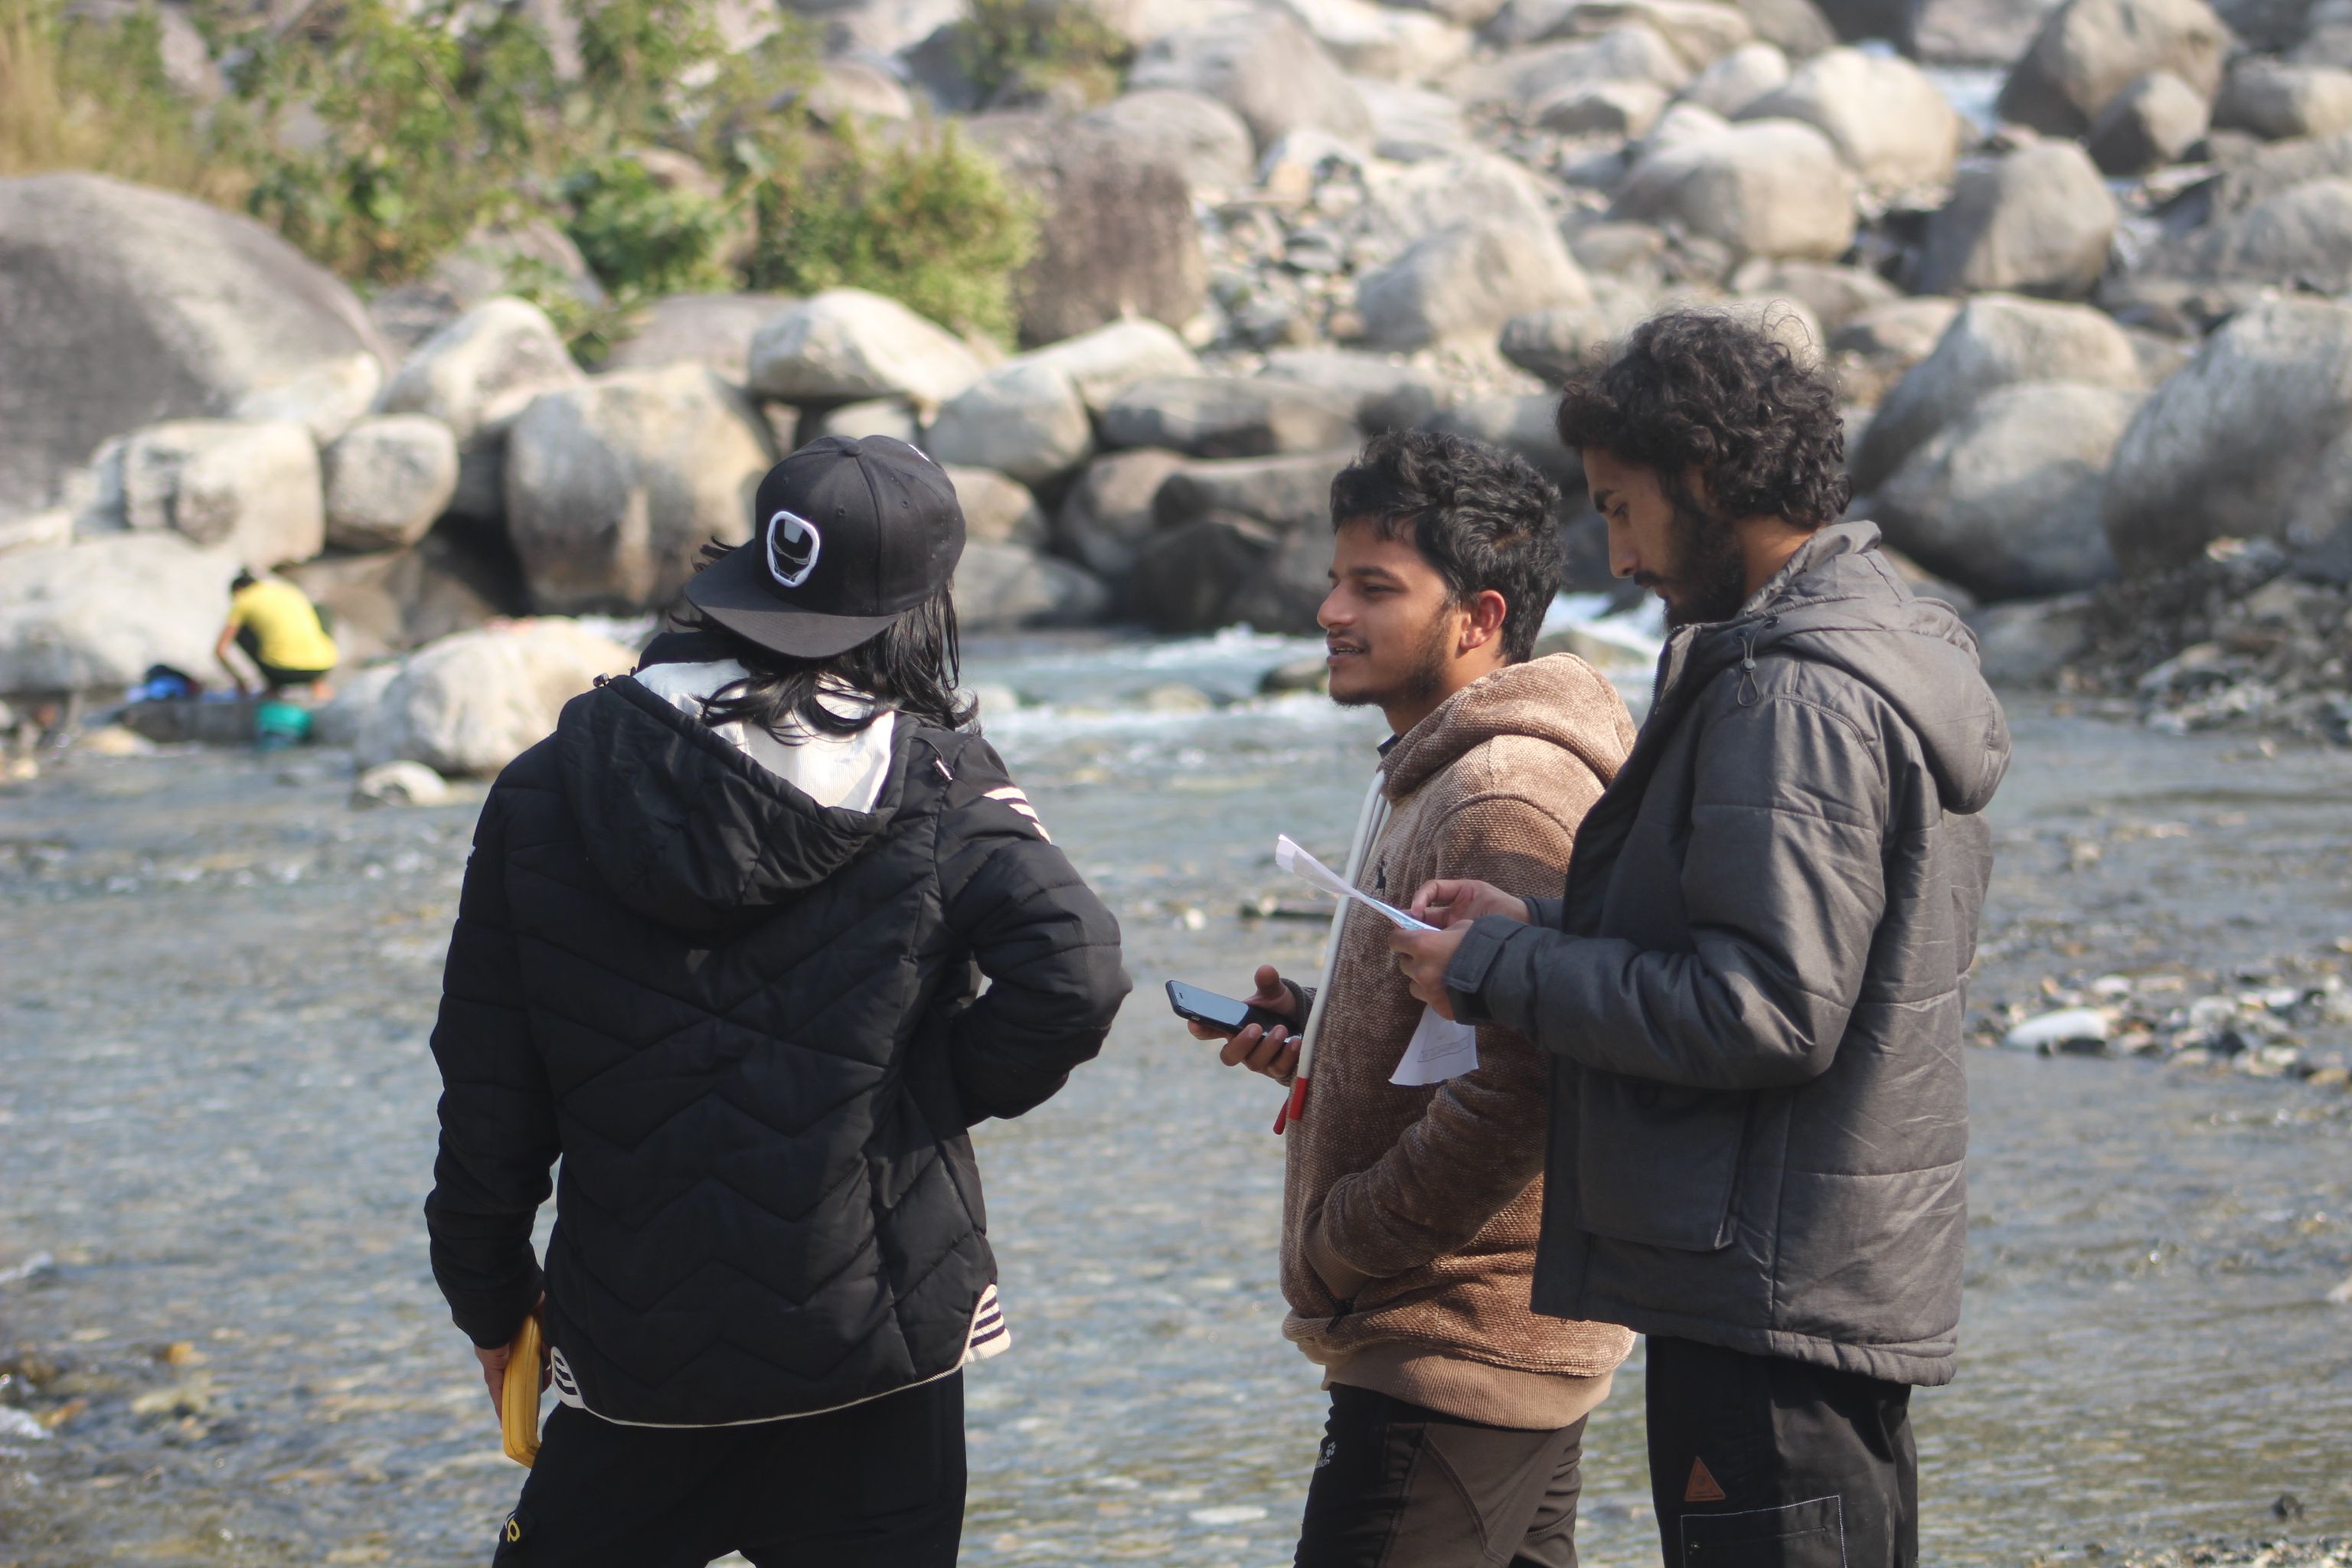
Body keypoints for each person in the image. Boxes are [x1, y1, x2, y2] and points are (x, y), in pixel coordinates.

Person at [423, 434, 1130, 1566]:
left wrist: (489, 1299)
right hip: (876, 1346)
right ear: (919, 609)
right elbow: (1078, 972)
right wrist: (925, 1091)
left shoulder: (549, 785)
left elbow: (488, 1089)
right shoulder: (937, 778)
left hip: (637, 1360)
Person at [1388, 312, 2012, 1568]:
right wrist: (1537, 926)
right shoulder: (1859, 645)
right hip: (1799, 1281)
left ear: (1706, 482)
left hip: (1766, 1301)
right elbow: (1768, 940)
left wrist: (1500, 974)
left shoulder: (1793, 690)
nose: (1616, 555)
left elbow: (1763, 1006)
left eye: (1622, 509)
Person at [1187, 428, 1639, 1568]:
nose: (1331, 612)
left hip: (1455, 1340)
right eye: (1335, 579)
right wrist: (1322, 1037)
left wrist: (1349, 1239)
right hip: (1492, 1340)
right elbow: (1455, 1030)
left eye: (1373, 588)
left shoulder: (1503, 791)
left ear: (1478, 617)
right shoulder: (1436, 764)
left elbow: (1530, 1078)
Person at [216, 569, 338, 696]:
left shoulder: (244, 599)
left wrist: (240, 681)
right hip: (323, 666)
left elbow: (221, 649)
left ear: (238, 590)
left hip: (280, 671)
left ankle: (273, 686)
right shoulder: (290, 591)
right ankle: (318, 685)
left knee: (241, 631)